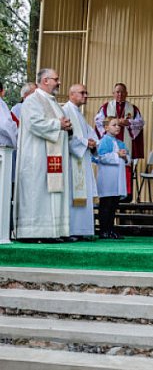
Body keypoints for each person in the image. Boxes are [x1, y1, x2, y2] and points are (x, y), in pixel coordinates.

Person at [14, 69, 73, 242]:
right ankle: (33, 232)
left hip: (52, 157)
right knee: (37, 192)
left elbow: (60, 124)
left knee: (52, 193)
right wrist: (58, 124)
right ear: (45, 80)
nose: (59, 82)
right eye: (56, 79)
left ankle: (52, 231)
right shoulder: (32, 100)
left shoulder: (53, 102)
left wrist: (67, 127)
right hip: (36, 157)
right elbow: (34, 123)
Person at [95, 83, 144, 201]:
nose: (120, 94)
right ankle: (111, 195)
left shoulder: (132, 108)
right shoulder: (106, 107)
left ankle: (125, 196)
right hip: (110, 143)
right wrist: (112, 124)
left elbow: (140, 123)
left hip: (125, 142)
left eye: (122, 92)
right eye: (117, 92)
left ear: (127, 94)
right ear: (113, 93)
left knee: (125, 164)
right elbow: (98, 121)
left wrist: (129, 123)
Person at [63, 84, 98, 240]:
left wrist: (92, 142)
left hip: (82, 159)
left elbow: (90, 134)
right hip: (72, 162)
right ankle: (72, 230)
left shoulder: (78, 113)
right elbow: (66, 138)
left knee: (82, 195)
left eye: (86, 92)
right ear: (72, 94)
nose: (86, 95)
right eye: (82, 93)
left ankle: (82, 229)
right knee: (72, 195)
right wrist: (85, 143)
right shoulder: (65, 111)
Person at [94, 118, 129, 239]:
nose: (118, 127)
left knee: (114, 204)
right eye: (114, 125)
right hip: (107, 177)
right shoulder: (104, 141)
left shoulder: (120, 142)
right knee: (105, 205)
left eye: (119, 125)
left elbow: (127, 158)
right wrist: (117, 155)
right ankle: (103, 229)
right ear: (106, 127)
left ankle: (110, 229)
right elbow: (100, 157)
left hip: (117, 178)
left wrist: (125, 157)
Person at [0, 81, 16, 148]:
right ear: (1, 90)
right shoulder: (1, 104)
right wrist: (15, 140)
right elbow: (5, 124)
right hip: (3, 145)